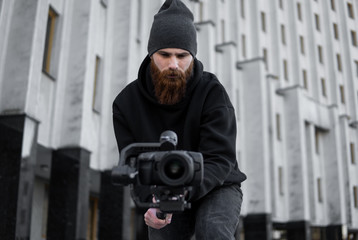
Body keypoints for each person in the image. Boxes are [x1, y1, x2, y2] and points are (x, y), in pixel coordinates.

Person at [112, 0, 246, 239]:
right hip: (160, 189)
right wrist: (151, 201)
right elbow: (133, 162)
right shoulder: (126, 103)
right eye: (164, 55)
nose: (173, 64)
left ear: (192, 56)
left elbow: (220, 157)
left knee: (213, 231)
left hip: (216, 185)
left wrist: (184, 191)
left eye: (182, 55)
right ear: (151, 54)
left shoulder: (212, 92)